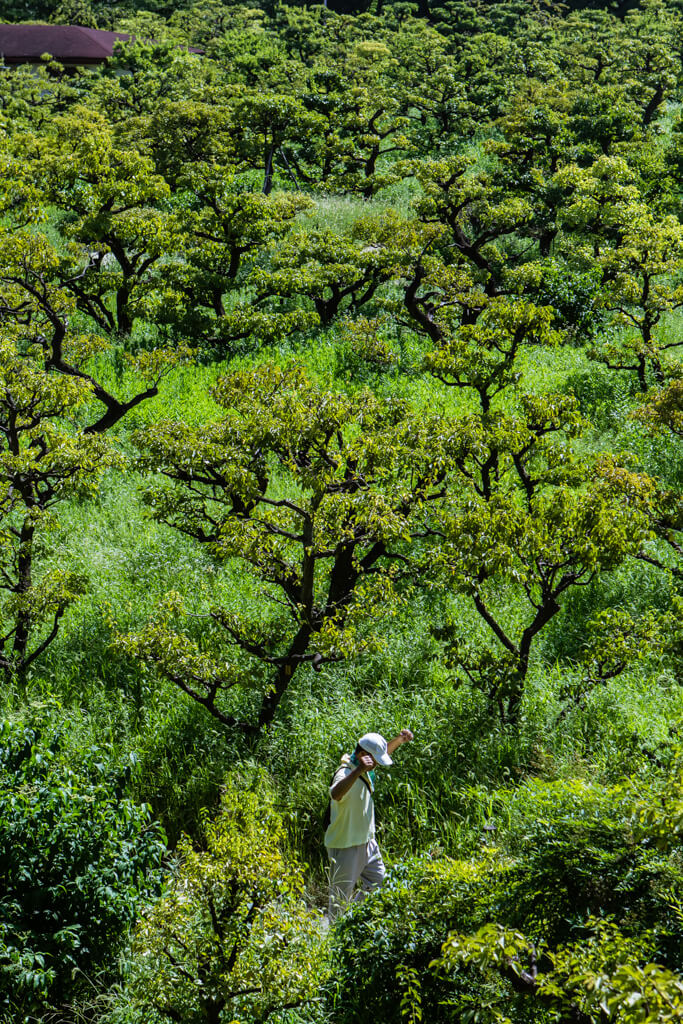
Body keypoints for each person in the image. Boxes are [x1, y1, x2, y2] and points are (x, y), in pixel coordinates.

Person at [324, 728, 414, 920]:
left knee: (381, 887)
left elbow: (381, 755)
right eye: (372, 761)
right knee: (339, 904)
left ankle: (352, 919)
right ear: (363, 756)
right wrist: (358, 770)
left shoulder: (366, 771)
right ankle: (333, 941)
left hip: (368, 844)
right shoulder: (346, 772)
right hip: (345, 847)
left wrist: (399, 740)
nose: (375, 766)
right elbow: (335, 794)